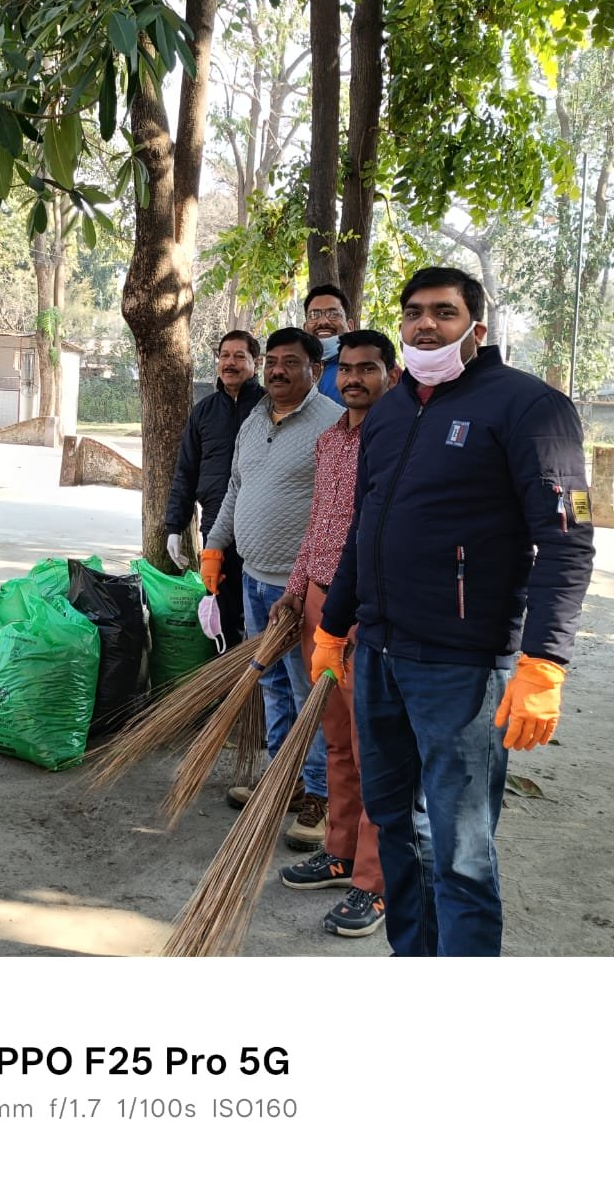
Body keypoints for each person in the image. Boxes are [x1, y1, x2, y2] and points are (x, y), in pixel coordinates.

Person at [315, 267, 596, 956]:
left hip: (459, 665)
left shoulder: (529, 407)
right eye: (413, 312)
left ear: (477, 326)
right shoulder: (389, 412)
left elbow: (568, 538)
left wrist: (544, 661)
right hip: (378, 654)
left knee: (459, 847)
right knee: (395, 824)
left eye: (443, 312)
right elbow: (363, 529)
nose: (424, 325)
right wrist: (332, 628)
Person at [272, 329, 403, 938]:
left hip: (369, 608)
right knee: (338, 738)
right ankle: (341, 851)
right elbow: (318, 524)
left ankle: (375, 883)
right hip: (319, 604)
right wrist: (297, 590)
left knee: (375, 746)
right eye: (345, 369)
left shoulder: (400, 438)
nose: (353, 379)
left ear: (391, 374)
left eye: (367, 369)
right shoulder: (330, 441)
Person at [200, 327, 342, 849]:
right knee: (273, 687)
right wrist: (215, 546)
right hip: (255, 578)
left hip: (303, 590)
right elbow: (236, 488)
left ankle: (319, 797)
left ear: (315, 370)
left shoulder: (332, 425)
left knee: (311, 693)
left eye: (291, 362)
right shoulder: (255, 419)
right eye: (273, 362)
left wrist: (307, 584)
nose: (278, 370)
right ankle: (285, 780)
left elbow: (334, 512)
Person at [162, 329, 263, 645]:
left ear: (256, 363)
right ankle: (227, 670)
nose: (229, 363)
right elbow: (186, 472)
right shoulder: (204, 411)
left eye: (239, 356)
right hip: (215, 527)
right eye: (224, 356)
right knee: (222, 608)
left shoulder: (268, 408)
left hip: (261, 528)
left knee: (259, 611)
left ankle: (260, 672)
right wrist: (175, 526)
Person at [303, 284, 354, 403]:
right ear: (305, 328)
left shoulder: (368, 367)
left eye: (334, 314)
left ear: (350, 326)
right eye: (314, 315)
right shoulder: (294, 369)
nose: (323, 322)